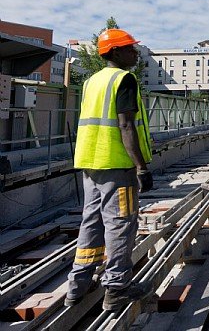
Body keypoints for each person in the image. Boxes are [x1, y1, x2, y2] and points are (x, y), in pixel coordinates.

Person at [64, 29, 153, 311]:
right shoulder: (124, 80)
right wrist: (141, 167)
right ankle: (116, 288)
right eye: (130, 49)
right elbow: (126, 126)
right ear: (115, 52)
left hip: (90, 163)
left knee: (91, 222)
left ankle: (77, 287)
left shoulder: (92, 81)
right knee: (120, 224)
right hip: (117, 164)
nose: (135, 53)